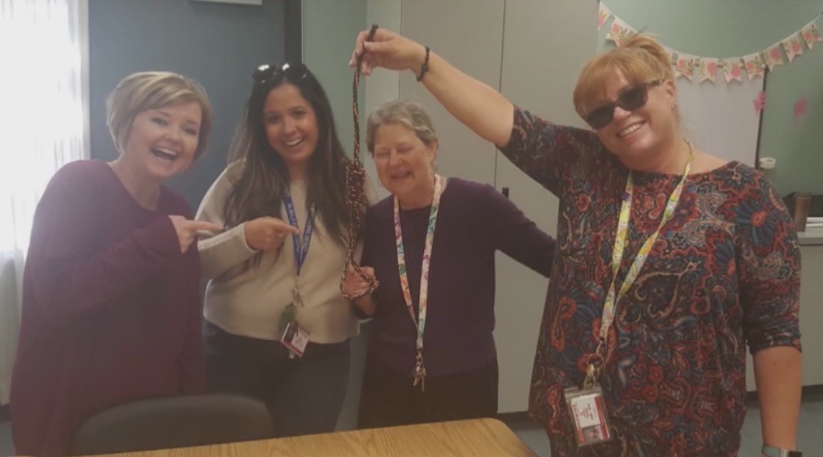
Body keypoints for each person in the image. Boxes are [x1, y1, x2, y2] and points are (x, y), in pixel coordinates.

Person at [349, 29, 802, 457]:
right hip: (580, 427)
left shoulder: (744, 196)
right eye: (601, 112)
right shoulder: (586, 164)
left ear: (668, 89)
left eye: (632, 96)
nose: (619, 115)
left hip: (685, 437)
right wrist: (418, 60)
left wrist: (778, 450)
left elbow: (776, 336)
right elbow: (500, 117)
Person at [11, 71, 219, 457]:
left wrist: (195, 412)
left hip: (152, 414)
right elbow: (57, 294)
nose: (175, 136)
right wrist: (154, 242)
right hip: (69, 415)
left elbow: (187, 327)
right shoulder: (78, 184)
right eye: (160, 120)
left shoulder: (177, 210)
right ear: (125, 123)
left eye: (189, 129)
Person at [342, 99, 555, 428]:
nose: (394, 162)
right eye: (382, 153)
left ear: (431, 148)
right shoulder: (376, 219)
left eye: (404, 148)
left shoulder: (478, 203)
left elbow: (550, 259)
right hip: (388, 378)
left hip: (464, 379)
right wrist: (358, 293)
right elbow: (370, 308)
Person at [196, 62, 376, 437]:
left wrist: (367, 288)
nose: (289, 129)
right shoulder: (238, 179)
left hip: (321, 354)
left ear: (319, 116)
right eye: (274, 118)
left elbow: (373, 267)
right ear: (262, 129)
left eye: (298, 113)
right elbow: (196, 263)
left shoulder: (353, 183)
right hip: (234, 348)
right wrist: (243, 238)